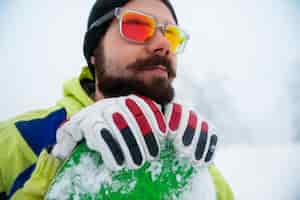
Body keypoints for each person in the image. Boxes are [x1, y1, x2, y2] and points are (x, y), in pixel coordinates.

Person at [0, 0, 234, 199]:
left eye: (171, 35)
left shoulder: (196, 164)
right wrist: (52, 175)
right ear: (94, 52)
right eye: (137, 25)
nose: (164, 44)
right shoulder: (16, 140)